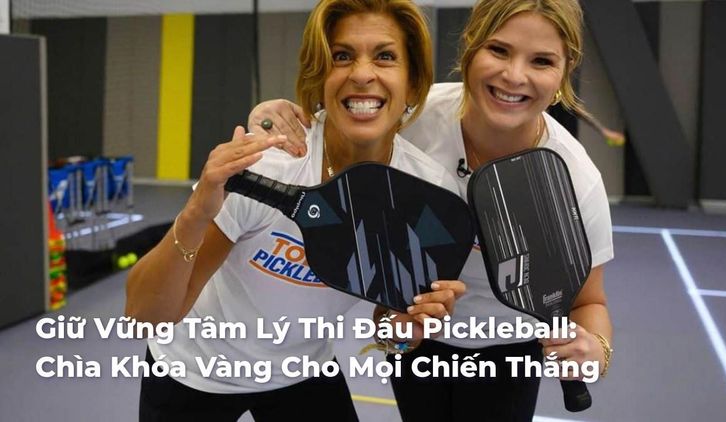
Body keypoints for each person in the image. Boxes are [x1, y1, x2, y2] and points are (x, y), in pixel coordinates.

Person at [247, 0, 615, 420]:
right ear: (470, 47)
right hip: (416, 340)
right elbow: (335, 124)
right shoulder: (411, 120)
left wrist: (596, 350)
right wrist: (276, 115)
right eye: (499, 50)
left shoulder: (576, 180)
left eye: (542, 61)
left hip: (510, 349)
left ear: (565, 72)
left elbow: (589, 302)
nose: (514, 76)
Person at [125, 1, 466, 420]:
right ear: (319, 78)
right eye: (341, 56)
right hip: (197, 369)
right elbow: (143, 317)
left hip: (303, 369)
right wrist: (197, 212)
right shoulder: (269, 163)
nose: (362, 74)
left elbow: (390, 323)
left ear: (412, 85)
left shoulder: (425, 193)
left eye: (384, 56)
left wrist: (402, 332)